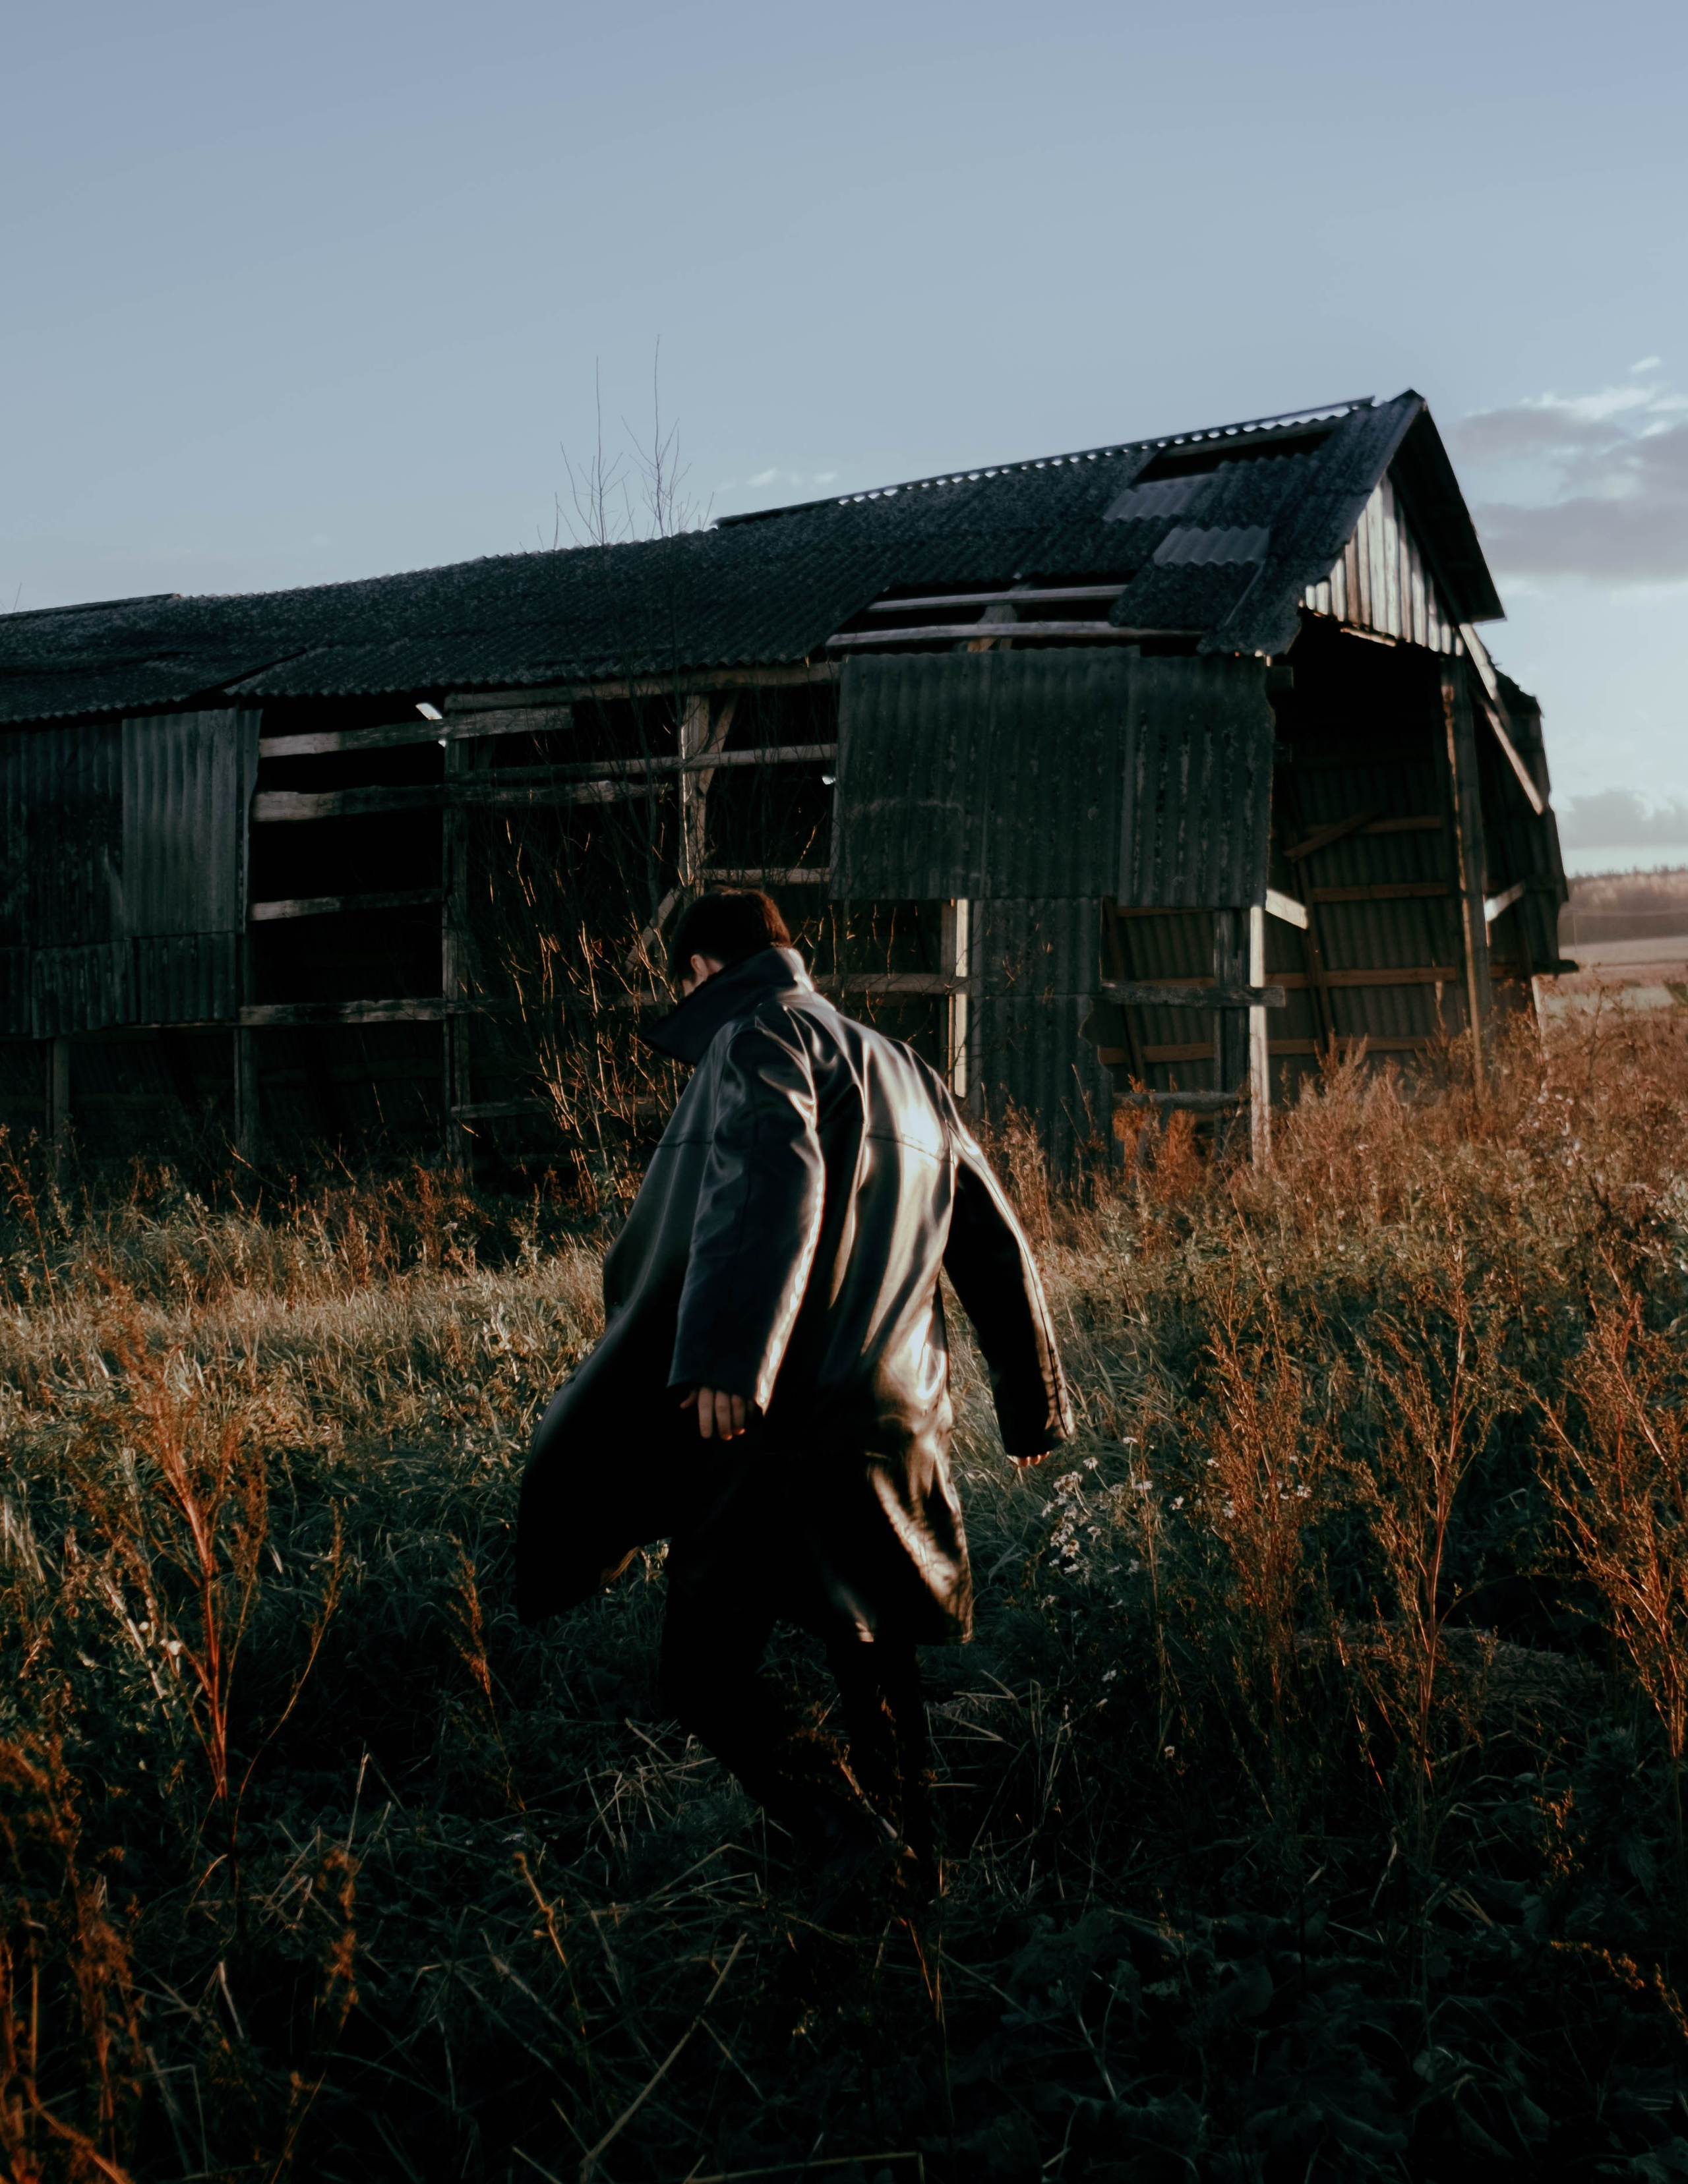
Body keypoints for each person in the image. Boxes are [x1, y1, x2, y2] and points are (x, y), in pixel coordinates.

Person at [516, 889, 1071, 1905]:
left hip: (780, 1420)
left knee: (703, 1671)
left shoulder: (756, 1034)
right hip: (900, 1420)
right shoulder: (908, 1067)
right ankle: (917, 1880)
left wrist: (732, 1358)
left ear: (703, 968)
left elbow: (773, 1174)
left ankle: (844, 1833)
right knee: (874, 1651)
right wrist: (1032, 1405)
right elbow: (995, 1241)